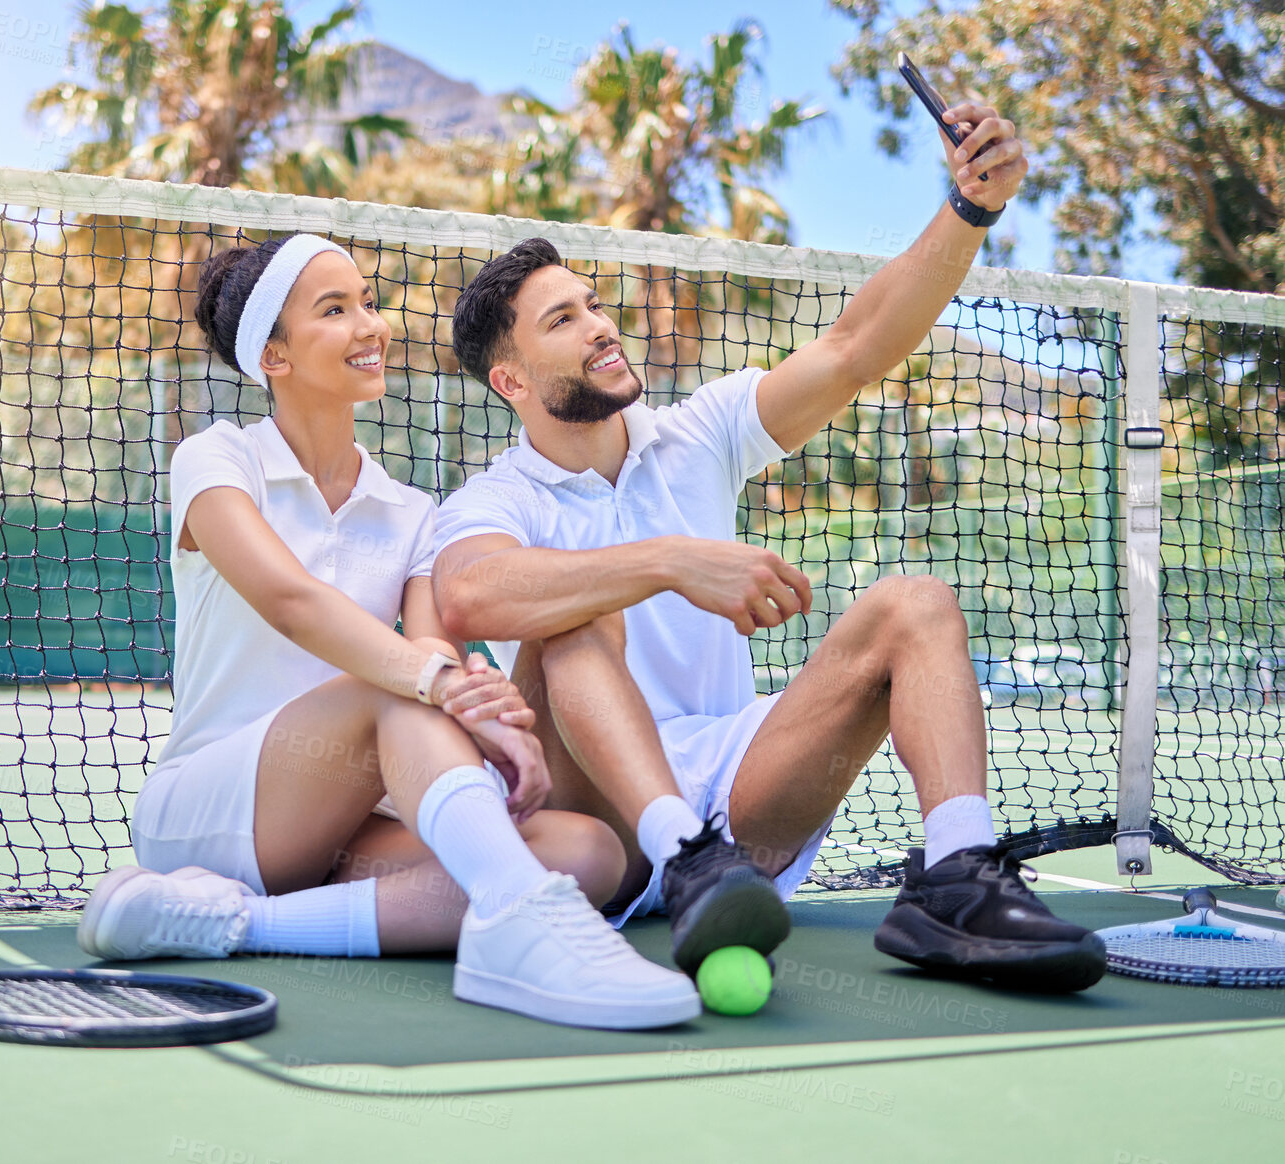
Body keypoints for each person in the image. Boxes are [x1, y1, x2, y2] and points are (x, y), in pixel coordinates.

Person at [432, 100, 1106, 991]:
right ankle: (679, 849)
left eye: (593, 305)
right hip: (596, 821)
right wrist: (670, 560)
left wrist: (971, 206)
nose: (599, 324)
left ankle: (955, 876)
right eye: (562, 321)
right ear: (511, 380)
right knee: (574, 618)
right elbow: (471, 595)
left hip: (742, 794)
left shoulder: (698, 432)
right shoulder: (496, 496)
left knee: (917, 605)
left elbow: (856, 347)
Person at [77, 233, 700, 1029]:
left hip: (350, 820)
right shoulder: (217, 457)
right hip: (211, 809)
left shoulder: (412, 512)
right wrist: (436, 682)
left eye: (368, 302)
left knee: (588, 853)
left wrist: (483, 713)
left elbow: (435, 648)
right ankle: (517, 925)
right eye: (334, 311)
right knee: (396, 693)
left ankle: (230, 923)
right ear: (274, 356)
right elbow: (290, 600)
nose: (371, 325)